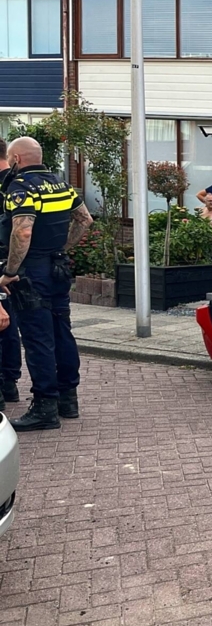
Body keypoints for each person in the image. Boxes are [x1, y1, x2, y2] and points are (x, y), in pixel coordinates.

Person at [0, 137, 93, 431]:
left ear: (15, 159)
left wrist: (10, 270)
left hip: (32, 272)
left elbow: (23, 231)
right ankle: (69, 399)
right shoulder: (61, 184)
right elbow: (85, 219)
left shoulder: (21, 187)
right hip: (58, 268)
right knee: (61, 330)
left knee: (38, 337)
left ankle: (44, 406)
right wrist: (62, 248)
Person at [0, 141, 22, 412]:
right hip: (18, 263)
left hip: (4, 263)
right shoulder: (20, 182)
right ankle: (10, 382)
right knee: (10, 323)